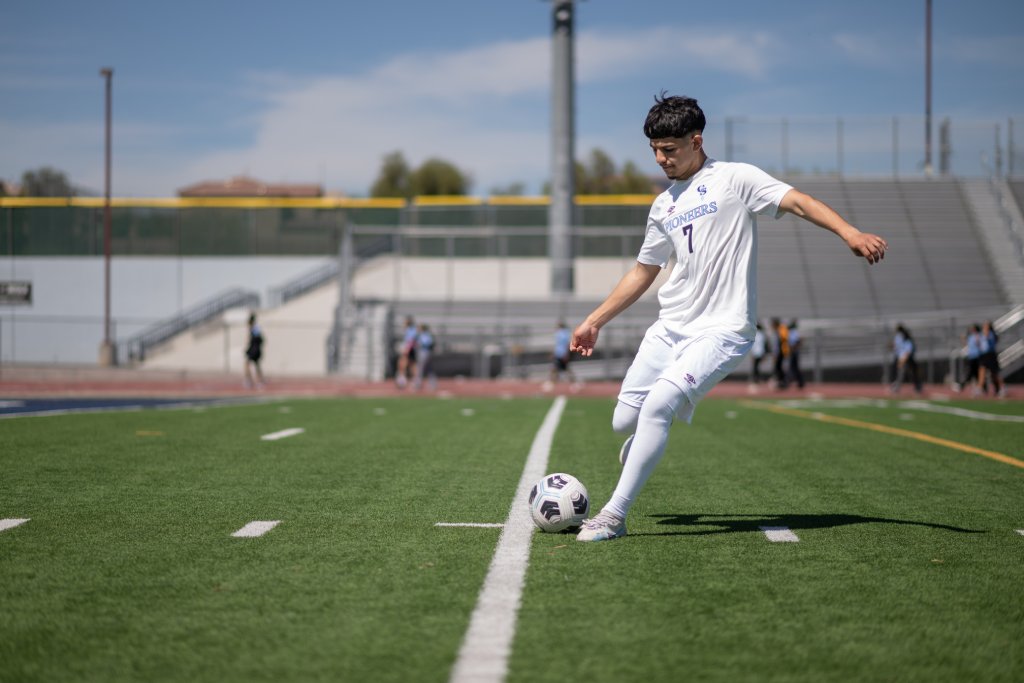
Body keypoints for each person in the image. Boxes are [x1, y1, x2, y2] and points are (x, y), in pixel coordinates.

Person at [569, 94, 887, 542]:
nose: (661, 159)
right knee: (624, 421)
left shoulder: (736, 178)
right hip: (670, 327)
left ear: (696, 141)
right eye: (655, 151)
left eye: (670, 150)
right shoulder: (663, 206)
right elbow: (644, 271)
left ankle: (614, 516)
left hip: (723, 329)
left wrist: (849, 233)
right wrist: (594, 320)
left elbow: (798, 201)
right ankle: (641, 444)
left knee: (659, 407)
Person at [890, 323, 922, 394]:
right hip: (902, 356)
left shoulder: (903, 337)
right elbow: (896, 347)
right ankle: (917, 387)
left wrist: (902, 359)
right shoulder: (900, 337)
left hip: (905, 356)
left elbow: (907, 349)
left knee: (904, 372)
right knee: (900, 373)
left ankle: (917, 387)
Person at [978, 320, 1004, 397]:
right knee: (981, 371)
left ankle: (1001, 388)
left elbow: (990, 343)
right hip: (983, 355)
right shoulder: (981, 334)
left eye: (986, 326)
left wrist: (985, 335)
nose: (984, 327)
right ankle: (980, 389)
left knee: (994, 374)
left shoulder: (991, 334)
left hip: (990, 355)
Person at [550, 321, 577, 385]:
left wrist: (566, 354)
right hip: (560, 353)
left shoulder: (563, 333)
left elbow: (566, 344)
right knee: (558, 368)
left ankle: (553, 383)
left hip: (562, 354)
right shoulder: (563, 333)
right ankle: (554, 382)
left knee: (558, 368)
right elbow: (558, 344)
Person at [244, 312, 265, 389]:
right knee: (256, 365)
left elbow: (256, 339)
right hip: (255, 349)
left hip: (254, 349)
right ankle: (259, 381)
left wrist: (250, 347)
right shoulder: (255, 328)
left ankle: (250, 381)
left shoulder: (254, 328)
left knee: (247, 364)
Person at [414, 323, 437, 391]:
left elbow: (426, 344)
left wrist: (418, 345)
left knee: (420, 368)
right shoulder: (427, 334)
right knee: (429, 369)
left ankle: (418, 384)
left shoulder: (424, 335)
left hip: (424, 353)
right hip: (427, 353)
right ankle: (433, 383)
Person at [396, 316, 418, 388]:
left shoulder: (411, 330)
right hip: (410, 349)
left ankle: (404, 380)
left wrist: (407, 349)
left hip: (410, 349)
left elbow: (411, 341)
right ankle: (410, 380)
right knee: (409, 365)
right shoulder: (410, 330)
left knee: (404, 364)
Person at [771, 317, 790, 389]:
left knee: (779, 367)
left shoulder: (781, 329)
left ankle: (783, 382)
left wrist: (776, 354)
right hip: (780, 351)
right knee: (778, 368)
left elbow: (782, 340)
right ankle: (781, 382)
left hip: (781, 351)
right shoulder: (777, 330)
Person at [787, 318, 805, 389]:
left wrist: (793, 349)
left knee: (793, 367)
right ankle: (799, 382)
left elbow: (797, 341)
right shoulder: (793, 331)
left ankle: (791, 381)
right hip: (794, 352)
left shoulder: (793, 332)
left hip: (794, 352)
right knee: (794, 367)